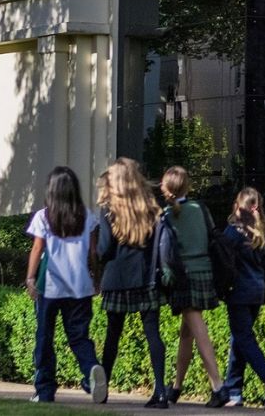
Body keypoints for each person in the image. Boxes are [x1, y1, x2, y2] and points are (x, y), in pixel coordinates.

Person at [25, 166, 108, 404]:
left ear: (51, 190)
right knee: (79, 337)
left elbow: (37, 248)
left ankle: (44, 390)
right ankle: (91, 369)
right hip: (80, 287)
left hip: (50, 286)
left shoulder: (43, 217)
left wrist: (30, 278)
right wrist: (96, 279)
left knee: (44, 338)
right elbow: (93, 252)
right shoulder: (87, 216)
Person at [96, 158, 169, 408]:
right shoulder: (150, 207)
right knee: (153, 335)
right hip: (145, 277)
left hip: (116, 279)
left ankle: (103, 389)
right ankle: (161, 391)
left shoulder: (108, 210)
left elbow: (104, 249)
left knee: (112, 337)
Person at [159, 165, 230, 407]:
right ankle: (176, 387)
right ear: (187, 186)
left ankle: (218, 386)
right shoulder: (200, 208)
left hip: (184, 277)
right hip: (204, 271)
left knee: (198, 331)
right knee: (187, 333)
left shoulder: (166, 216)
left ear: (166, 189)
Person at [220, 187, 265, 410]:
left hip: (238, 292)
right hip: (257, 291)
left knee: (245, 340)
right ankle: (234, 390)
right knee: (239, 339)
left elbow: (222, 258)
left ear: (238, 206)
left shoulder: (233, 232)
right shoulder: (260, 231)